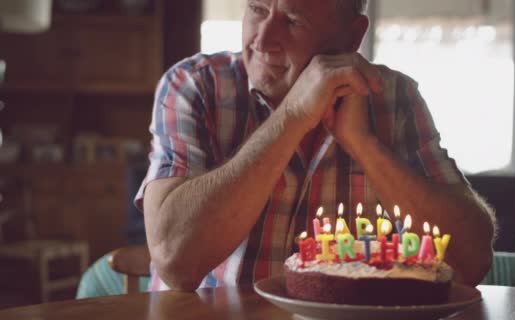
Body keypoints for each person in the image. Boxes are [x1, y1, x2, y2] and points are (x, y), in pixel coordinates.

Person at [135, 0, 495, 291]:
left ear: (351, 36)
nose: (262, 40)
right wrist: (293, 115)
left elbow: (470, 260)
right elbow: (176, 262)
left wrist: (364, 145)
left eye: (292, 20)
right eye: (257, 9)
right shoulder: (194, 86)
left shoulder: (393, 98)